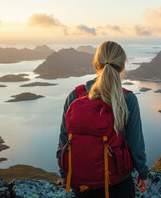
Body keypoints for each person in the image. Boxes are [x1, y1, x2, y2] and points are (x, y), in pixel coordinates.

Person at [56, 41, 149, 198]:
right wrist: (143, 173)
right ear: (121, 67)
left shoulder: (75, 96)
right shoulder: (127, 99)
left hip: (82, 184)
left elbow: (64, 141)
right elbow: (136, 144)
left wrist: (65, 173)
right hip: (119, 184)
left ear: (95, 64)